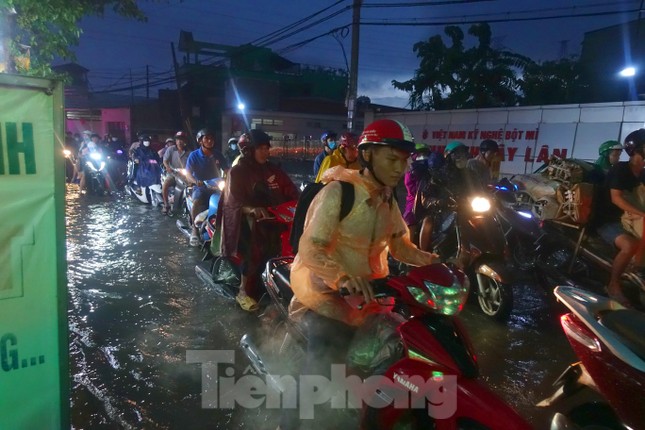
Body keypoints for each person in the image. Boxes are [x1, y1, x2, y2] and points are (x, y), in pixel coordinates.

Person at [279, 119, 439, 430]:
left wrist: (434, 261)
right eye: (392, 159)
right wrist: (341, 278)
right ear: (367, 155)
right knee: (319, 371)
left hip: (372, 295)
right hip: (328, 295)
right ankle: (288, 424)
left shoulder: (387, 197)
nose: (400, 169)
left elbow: (399, 246)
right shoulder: (339, 193)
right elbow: (311, 247)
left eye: (404, 161)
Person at [219, 129, 299, 312]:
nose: (265, 152)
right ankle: (242, 291)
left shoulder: (273, 170)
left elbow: (291, 191)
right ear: (249, 150)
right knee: (253, 249)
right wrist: (252, 209)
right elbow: (232, 201)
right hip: (248, 221)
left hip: (275, 218)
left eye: (266, 148)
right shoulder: (237, 172)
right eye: (260, 148)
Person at [593, 129, 645, 307]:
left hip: (629, 219)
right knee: (630, 245)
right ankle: (613, 285)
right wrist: (642, 214)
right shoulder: (621, 169)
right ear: (636, 149)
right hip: (608, 220)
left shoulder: (643, 173)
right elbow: (616, 199)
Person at [417, 141, 481, 251]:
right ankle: (424, 257)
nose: (461, 157)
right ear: (448, 156)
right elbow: (426, 197)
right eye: (457, 154)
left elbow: (479, 190)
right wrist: (439, 202)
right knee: (428, 221)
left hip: (468, 209)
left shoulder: (471, 174)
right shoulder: (440, 174)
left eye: (463, 154)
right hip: (444, 211)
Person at [185, 128, 230, 247]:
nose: (210, 141)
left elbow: (227, 170)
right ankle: (195, 229)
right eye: (207, 138)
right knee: (197, 201)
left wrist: (232, 177)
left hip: (216, 185)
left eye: (211, 138)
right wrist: (195, 181)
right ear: (200, 141)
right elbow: (188, 173)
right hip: (201, 186)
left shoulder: (218, 154)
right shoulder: (194, 155)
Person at [402, 143, 432, 230]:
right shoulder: (411, 170)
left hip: (431, 201)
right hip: (415, 201)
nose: (423, 156)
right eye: (419, 154)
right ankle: (408, 242)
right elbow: (411, 189)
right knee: (410, 221)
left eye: (425, 154)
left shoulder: (433, 169)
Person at [161, 131, 189, 214]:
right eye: (178, 140)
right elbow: (165, 161)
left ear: (185, 141)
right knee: (165, 184)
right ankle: (166, 204)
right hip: (172, 174)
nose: (180, 142)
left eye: (182, 140)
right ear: (175, 141)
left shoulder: (189, 152)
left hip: (184, 176)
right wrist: (168, 167)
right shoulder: (171, 149)